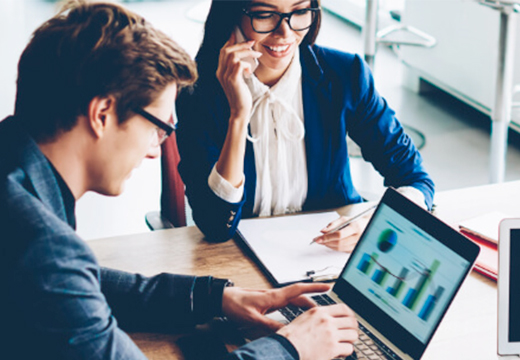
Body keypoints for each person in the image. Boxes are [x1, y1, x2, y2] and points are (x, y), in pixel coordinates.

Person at [0, 1, 359, 359]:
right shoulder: (41, 248)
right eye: (158, 127)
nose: (156, 151)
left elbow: (81, 282)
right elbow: (59, 273)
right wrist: (290, 348)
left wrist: (214, 298)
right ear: (102, 114)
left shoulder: (15, 170)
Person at [176, 0, 435, 250]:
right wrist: (238, 115)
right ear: (232, 16)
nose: (285, 32)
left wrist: (372, 224)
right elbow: (216, 226)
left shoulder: (346, 74)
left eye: (299, 11)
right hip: (239, 262)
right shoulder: (197, 93)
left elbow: (414, 178)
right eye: (265, 14)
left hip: (327, 257)